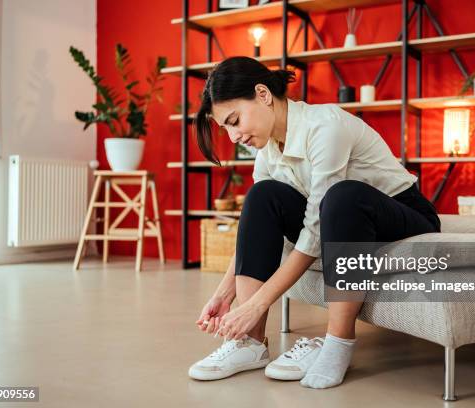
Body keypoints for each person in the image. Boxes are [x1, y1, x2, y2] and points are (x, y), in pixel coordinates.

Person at [187, 56, 441, 388]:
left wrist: (258, 302)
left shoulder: (325, 126)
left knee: (342, 195)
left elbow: (314, 232)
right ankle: (249, 342)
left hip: (402, 213)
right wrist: (224, 294)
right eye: (227, 128)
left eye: (235, 120)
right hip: (340, 220)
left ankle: (337, 343)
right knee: (262, 195)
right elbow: (259, 225)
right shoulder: (267, 151)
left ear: (263, 94)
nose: (234, 136)